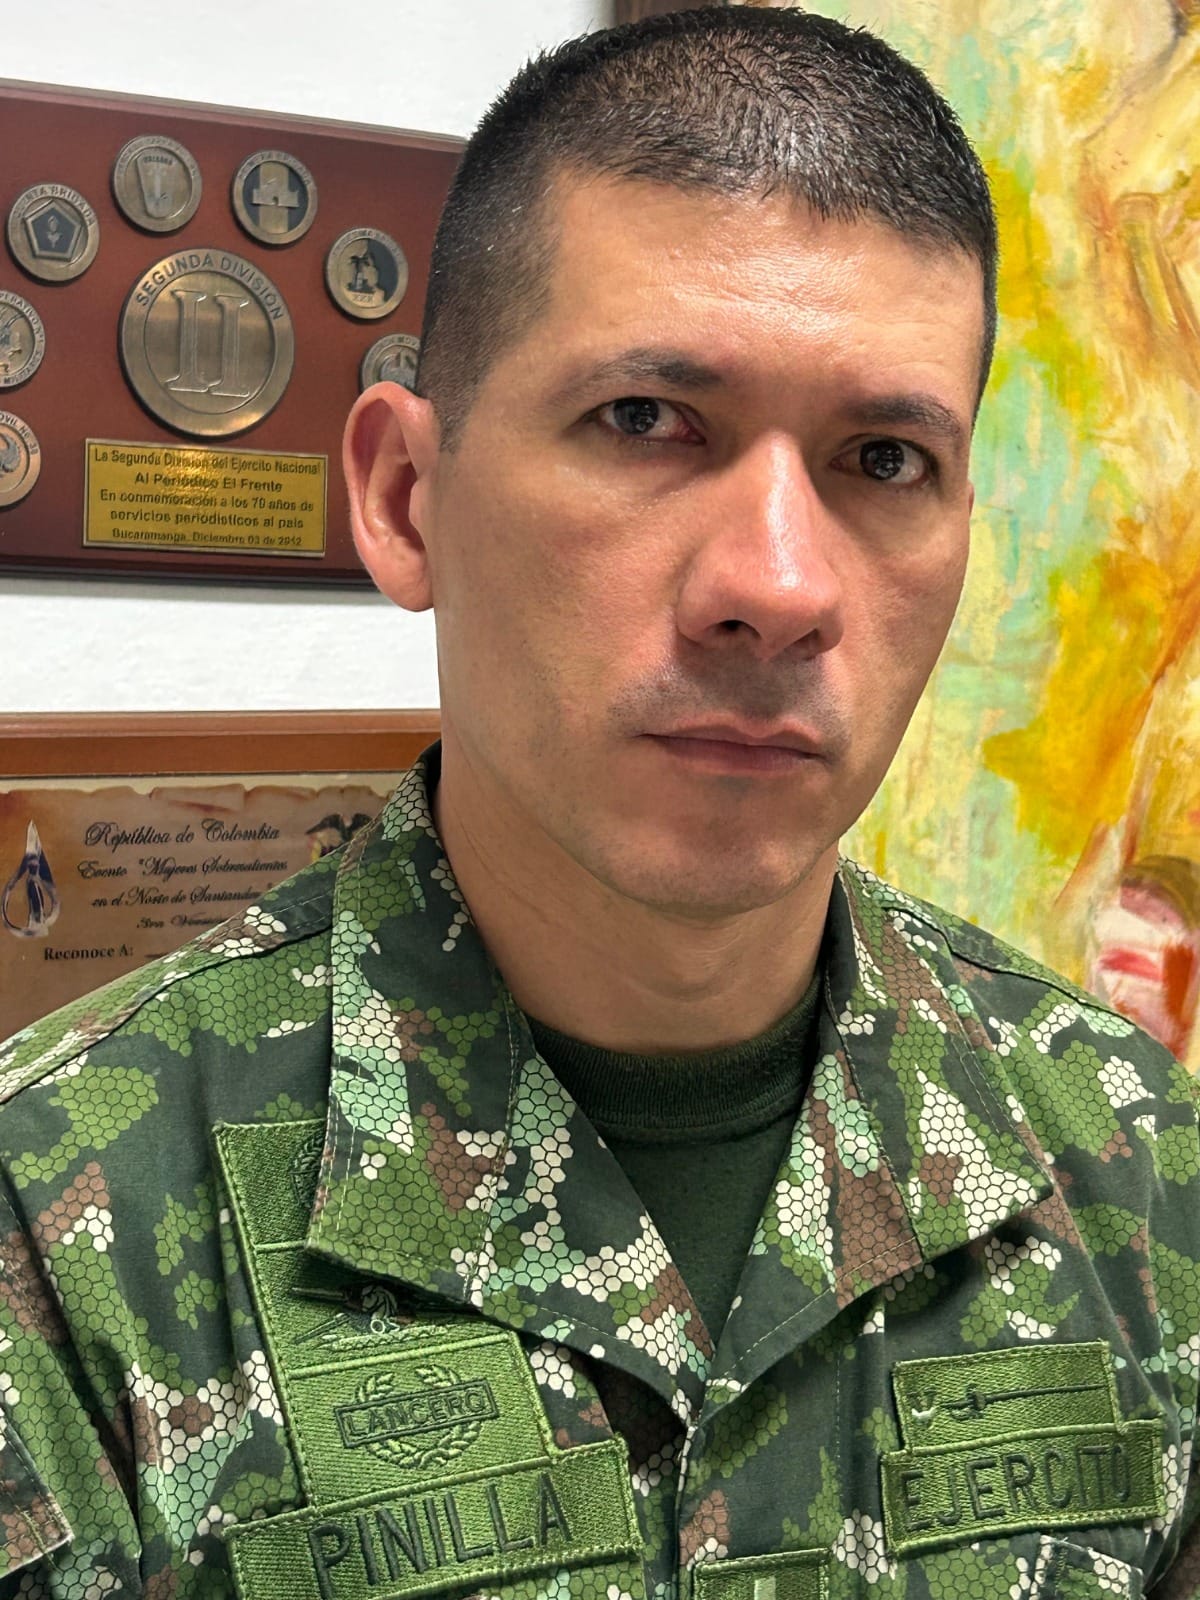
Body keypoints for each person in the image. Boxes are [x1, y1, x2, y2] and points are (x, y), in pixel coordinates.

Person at [1, 9, 1197, 1599]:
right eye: (645, 421)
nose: (778, 587)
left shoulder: (1134, 1163)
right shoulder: (53, 1242)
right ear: (405, 499)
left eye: (885, 459)